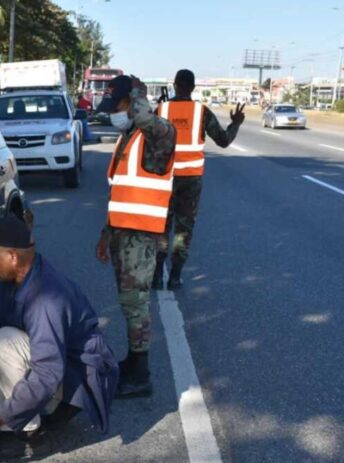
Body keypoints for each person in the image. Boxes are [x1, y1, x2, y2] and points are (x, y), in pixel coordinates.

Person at [0, 216, 118, 448]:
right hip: (54, 363)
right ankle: (27, 409)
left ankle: (23, 431)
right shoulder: (10, 279)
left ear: (12, 257)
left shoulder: (47, 301)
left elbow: (48, 372)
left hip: (76, 378)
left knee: (4, 342)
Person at [94, 75, 177, 398]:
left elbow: (145, 118)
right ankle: (133, 361)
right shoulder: (128, 137)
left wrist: (139, 95)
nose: (114, 113)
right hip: (122, 232)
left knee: (136, 303)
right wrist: (106, 234)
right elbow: (120, 192)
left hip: (142, 235)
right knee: (129, 304)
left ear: (135, 101)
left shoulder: (162, 134)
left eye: (119, 105)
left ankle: (141, 375)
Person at [153, 70, 245, 289]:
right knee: (183, 230)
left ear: (175, 85)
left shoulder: (161, 110)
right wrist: (236, 123)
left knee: (161, 228)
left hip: (164, 178)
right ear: (193, 88)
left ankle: (156, 276)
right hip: (190, 181)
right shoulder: (201, 112)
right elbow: (223, 141)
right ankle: (174, 277)